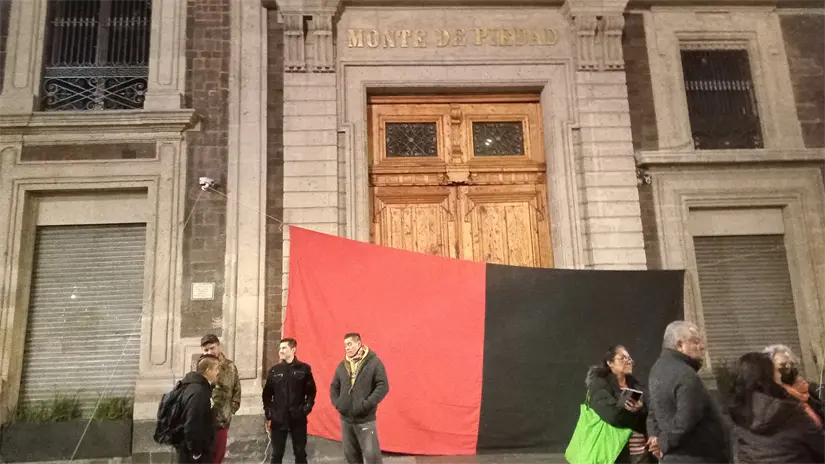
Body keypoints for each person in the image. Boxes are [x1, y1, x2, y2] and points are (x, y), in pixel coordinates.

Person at [646, 321, 727, 463]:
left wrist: (655, 436)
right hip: (694, 457)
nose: (702, 347)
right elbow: (685, 420)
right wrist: (663, 442)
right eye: (695, 342)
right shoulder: (686, 374)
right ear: (680, 345)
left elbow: (653, 410)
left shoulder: (656, 369)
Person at [728, 351, 825, 463]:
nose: (781, 375)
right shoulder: (790, 411)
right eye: (778, 371)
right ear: (767, 377)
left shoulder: (738, 416)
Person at [586, 345, 652, 464]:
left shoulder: (636, 386)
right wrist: (636, 414)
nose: (628, 361)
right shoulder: (599, 385)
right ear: (610, 362)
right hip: (615, 454)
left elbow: (650, 417)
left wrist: (641, 409)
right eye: (622, 358)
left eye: (629, 358)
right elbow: (613, 416)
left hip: (641, 453)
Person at [330, 333, 389, 464]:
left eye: (350, 344)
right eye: (345, 345)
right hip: (346, 420)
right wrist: (339, 404)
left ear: (359, 343)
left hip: (365, 420)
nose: (347, 348)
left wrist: (366, 405)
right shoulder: (342, 365)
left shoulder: (374, 363)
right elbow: (334, 386)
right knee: (351, 457)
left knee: (372, 458)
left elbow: (383, 386)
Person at [262, 338, 317, 464]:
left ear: (293, 350)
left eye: (284, 348)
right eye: (280, 348)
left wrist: (305, 409)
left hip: (298, 419)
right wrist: (269, 412)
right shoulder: (274, 371)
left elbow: (311, 392)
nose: (280, 351)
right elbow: (266, 395)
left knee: (300, 453)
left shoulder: (304, 369)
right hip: (278, 419)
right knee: (276, 454)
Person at [200, 334, 241, 464]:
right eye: (206, 350)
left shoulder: (230, 366)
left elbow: (237, 390)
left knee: (218, 456)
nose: (209, 352)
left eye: (212, 348)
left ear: (219, 346)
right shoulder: (200, 366)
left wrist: (229, 410)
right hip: (203, 420)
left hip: (222, 420)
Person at [763, 344, 824, 427]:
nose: (788, 367)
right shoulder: (770, 396)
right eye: (783, 364)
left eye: (791, 364)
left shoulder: (805, 389)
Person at [177, 354, 222, 464]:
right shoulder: (199, 392)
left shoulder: (195, 387)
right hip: (197, 454)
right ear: (208, 370)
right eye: (216, 369)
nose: (218, 372)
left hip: (193, 450)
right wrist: (196, 452)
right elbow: (192, 423)